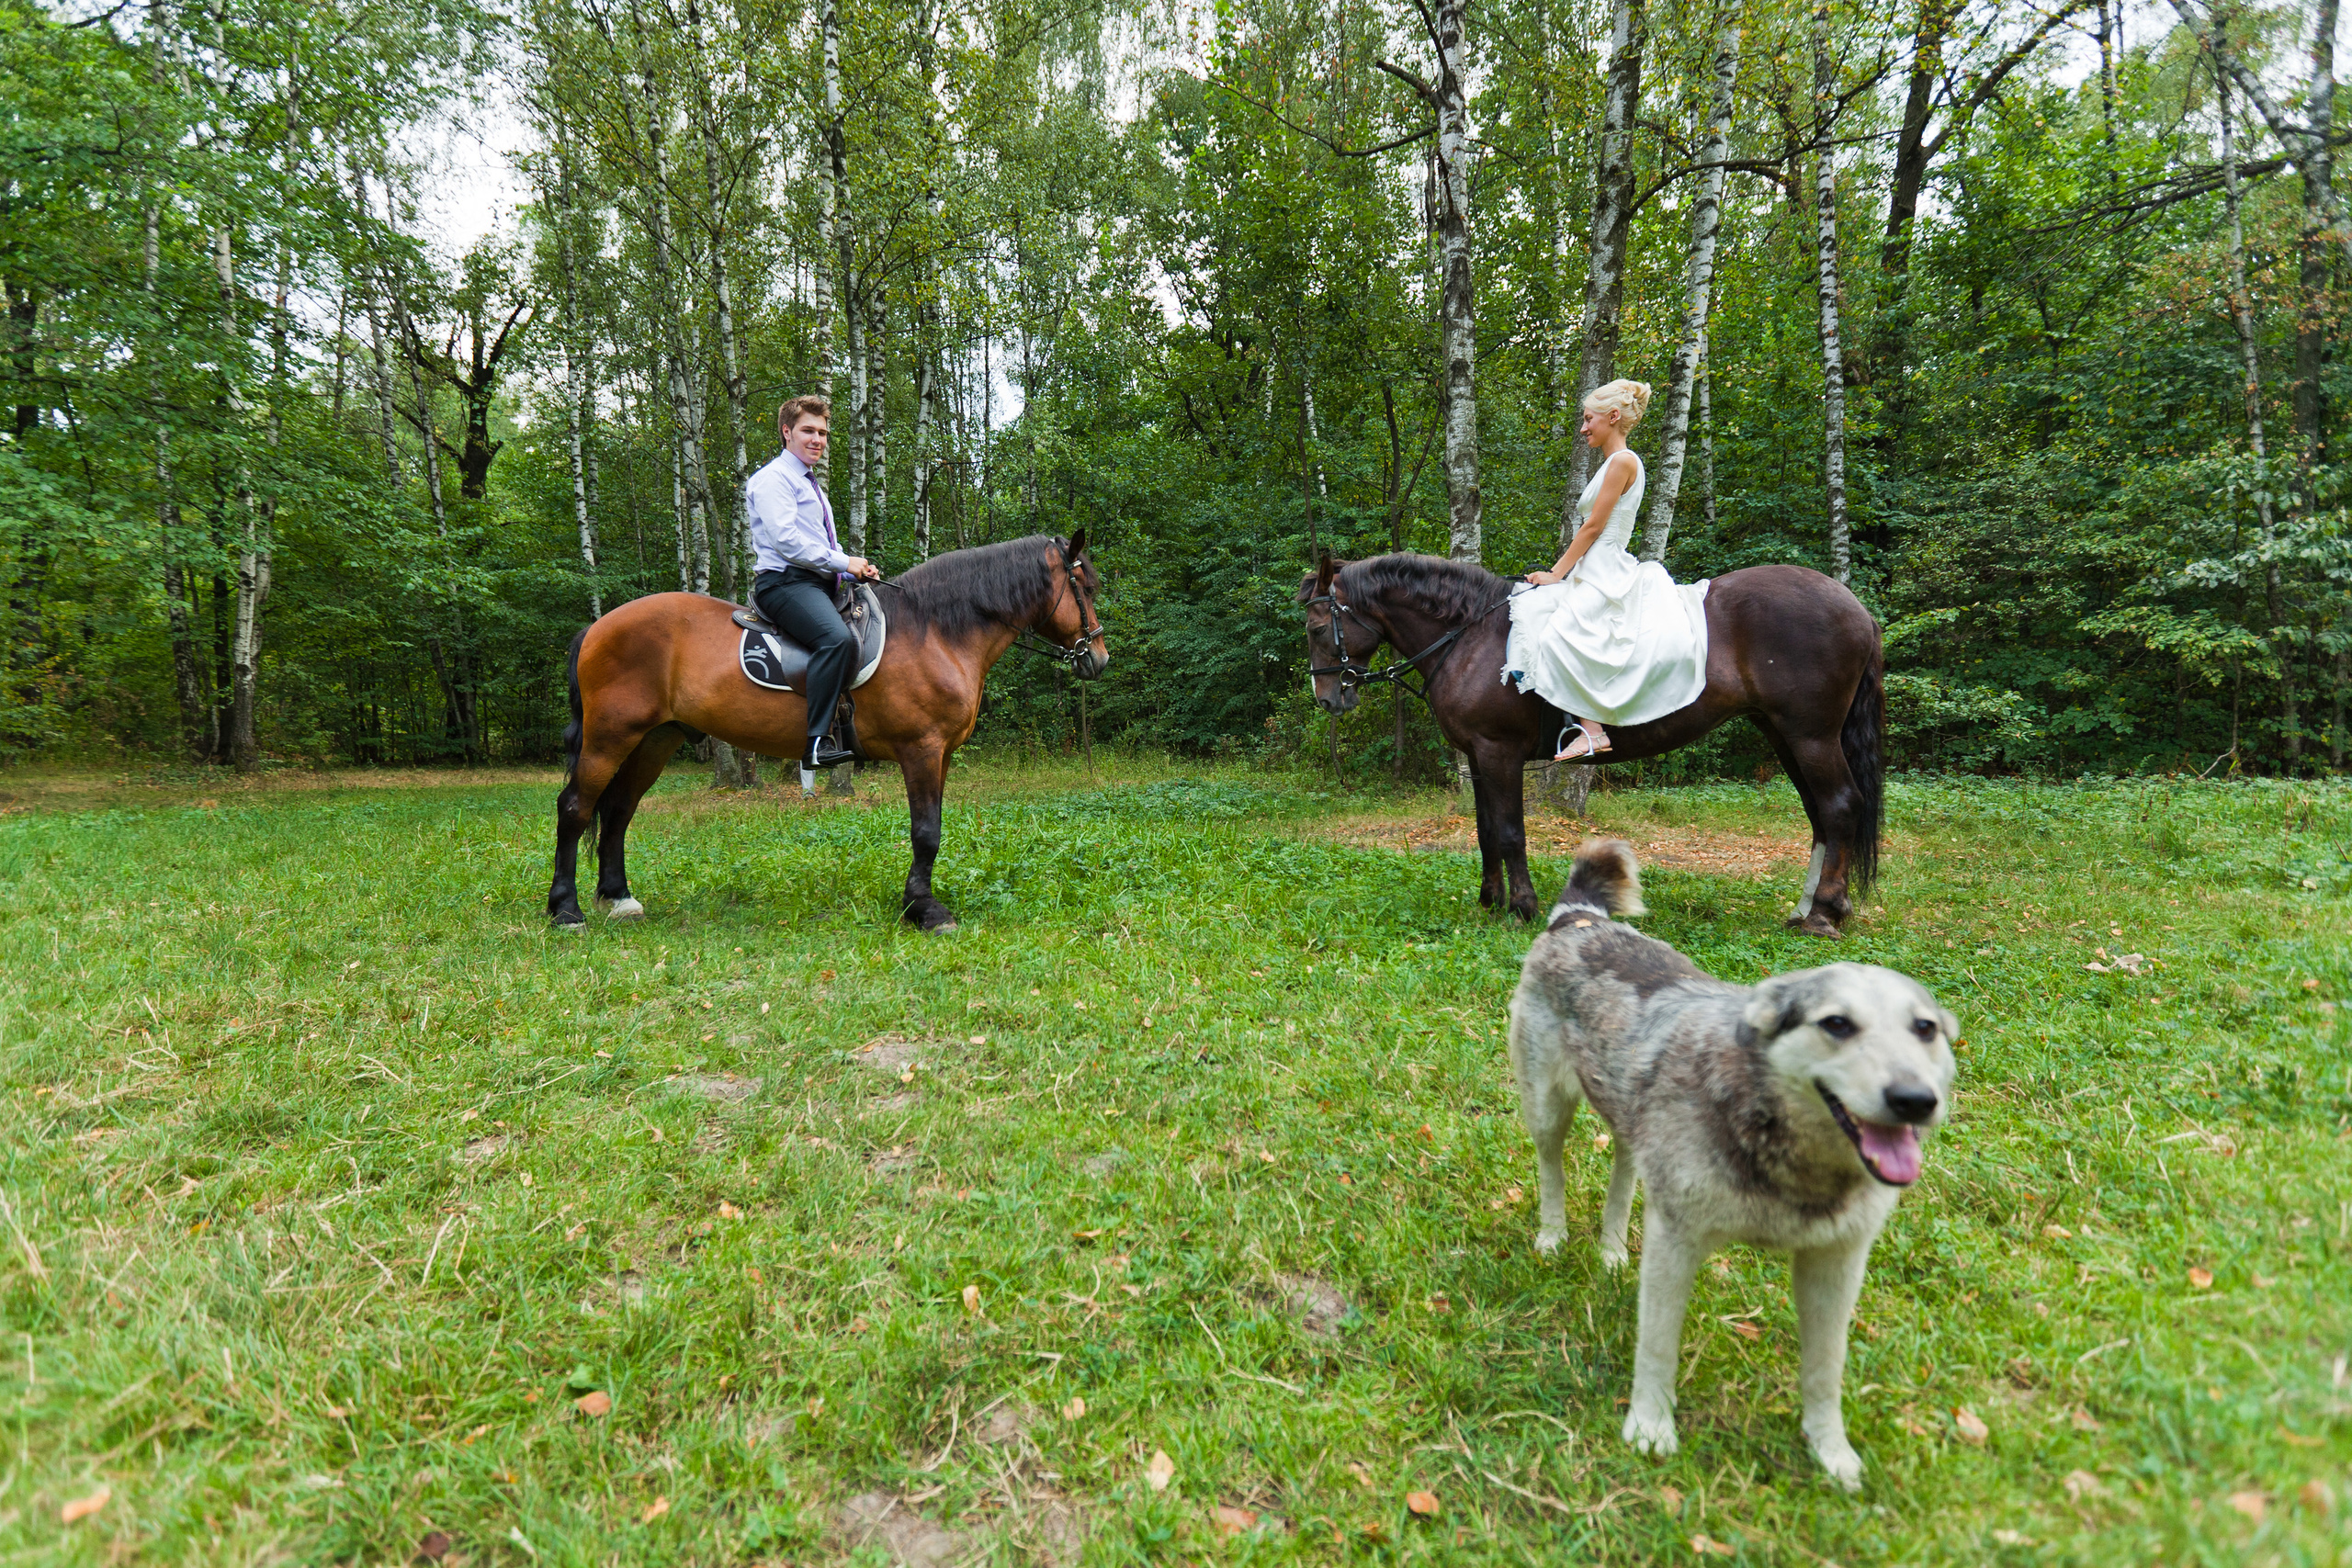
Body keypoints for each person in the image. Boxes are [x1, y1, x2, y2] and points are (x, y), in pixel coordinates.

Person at [1507, 379, 1711, 761]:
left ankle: (1593, 732)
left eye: (1589, 419)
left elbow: (1594, 527)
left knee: (1564, 633)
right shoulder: (1610, 464)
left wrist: (1556, 573)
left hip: (1605, 566)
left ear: (1613, 416)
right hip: (1592, 565)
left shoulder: (1623, 461)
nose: (1584, 428)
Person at [745, 396, 882, 771]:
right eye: (808, 430)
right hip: (785, 584)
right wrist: (843, 562)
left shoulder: (810, 484)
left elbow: (822, 546)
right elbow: (786, 541)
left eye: (822, 433)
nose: (817, 439)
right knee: (836, 639)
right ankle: (818, 744)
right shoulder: (774, 479)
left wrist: (853, 569)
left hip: (817, 583)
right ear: (786, 432)